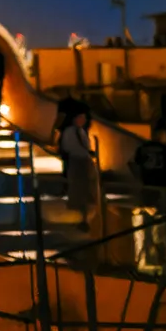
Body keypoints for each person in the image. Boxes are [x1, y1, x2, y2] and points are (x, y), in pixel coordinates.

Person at [55, 98, 99, 235]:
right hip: (78, 160)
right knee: (81, 188)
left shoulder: (77, 131)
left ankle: (83, 215)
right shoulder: (73, 132)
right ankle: (82, 216)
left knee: (83, 188)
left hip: (80, 160)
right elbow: (72, 147)